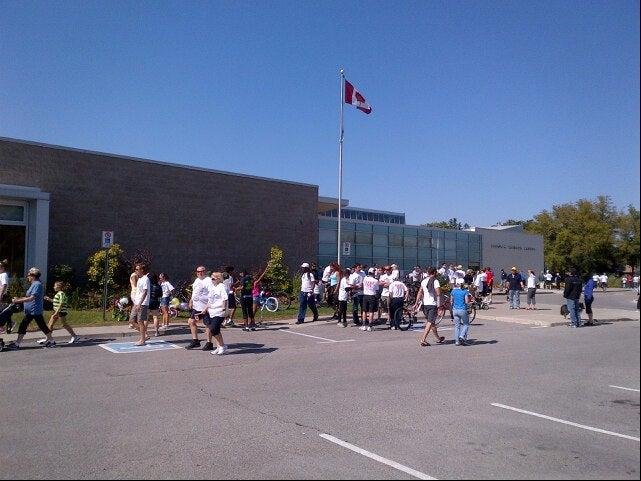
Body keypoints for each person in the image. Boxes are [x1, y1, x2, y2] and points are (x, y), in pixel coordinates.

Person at [5, 267, 55, 350]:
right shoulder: (34, 284)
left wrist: (18, 301)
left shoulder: (37, 285)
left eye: (29, 275)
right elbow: (28, 296)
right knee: (42, 326)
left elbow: (32, 298)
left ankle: (17, 344)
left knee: (24, 325)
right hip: (31, 310)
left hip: (34, 310)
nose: (27, 277)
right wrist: (19, 298)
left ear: (33, 276)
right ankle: (52, 341)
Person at [414, 267, 446, 347]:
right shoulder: (435, 281)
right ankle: (423, 339)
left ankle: (438, 338)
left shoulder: (424, 281)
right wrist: (439, 306)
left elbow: (420, 292)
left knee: (432, 323)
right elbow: (438, 294)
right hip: (433, 304)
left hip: (425, 304)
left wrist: (416, 303)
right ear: (435, 272)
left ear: (428, 273)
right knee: (430, 322)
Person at [186, 266, 212, 349]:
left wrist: (208, 306)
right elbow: (194, 292)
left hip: (206, 307)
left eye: (201, 271)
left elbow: (212, 293)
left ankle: (209, 343)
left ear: (205, 272)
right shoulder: (196, 280)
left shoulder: (208, 280)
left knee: (207, 324)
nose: (199, 273)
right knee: (191, 321)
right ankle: (195, 341)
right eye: (198, 271)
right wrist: (191, 301)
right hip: (197, 307)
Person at [204, 272, 228, 355]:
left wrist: (224, 307)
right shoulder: (212, 287)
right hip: (212, 311)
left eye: (213, 278)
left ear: (218, 279)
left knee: (213, 329)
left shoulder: (222, 286)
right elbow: (210, 300)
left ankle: (222, 346)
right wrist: (205, 309)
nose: (212, 280)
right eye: (211, 278)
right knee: (215, 330)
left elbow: (224, 298)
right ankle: (219, 347)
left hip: (219, 311)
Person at [130, 263, 151, 346]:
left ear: (142, 270)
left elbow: (145, 292)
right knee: (132, 320)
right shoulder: (140, 279)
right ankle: (144, 335)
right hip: (137, 302)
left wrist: (140, 303)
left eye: (137, 269)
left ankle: (142, 340)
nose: (135, 271)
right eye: (135, 269)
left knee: (140, 321)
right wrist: (136, 302)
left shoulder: (146, 279)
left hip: (142, 303)